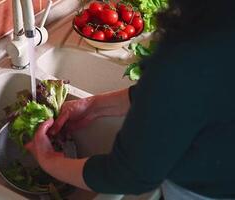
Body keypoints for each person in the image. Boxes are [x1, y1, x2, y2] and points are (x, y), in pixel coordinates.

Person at [25, 0, 235, 199]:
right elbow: (191, 96)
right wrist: (93, 106)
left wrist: (48, 160)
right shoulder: (218, 25)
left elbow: (128, 175)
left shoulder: (192, 49)